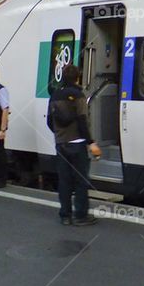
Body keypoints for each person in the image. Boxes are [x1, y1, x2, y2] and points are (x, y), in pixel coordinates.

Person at [47, 64, 101, 225]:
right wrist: (90, 142)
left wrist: (60, 134)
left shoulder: (55, 95)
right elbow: (82, 121)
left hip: (61, 144)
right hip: (77, 144)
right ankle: (80, 216)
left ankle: (65, 215)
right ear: (77, 77)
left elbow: (49, 121)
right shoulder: (78, 95)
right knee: (80, 180)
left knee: (64, 180)